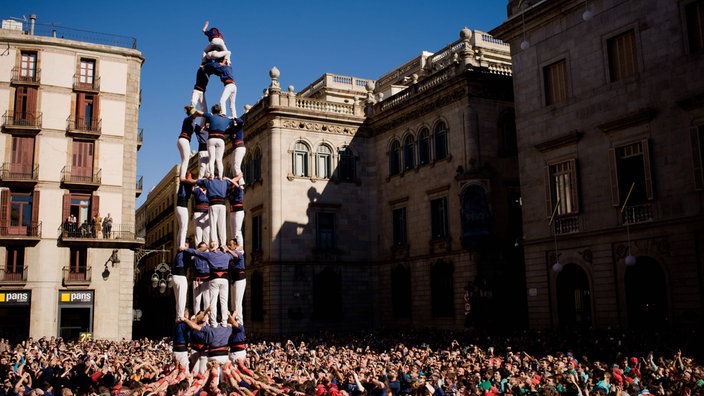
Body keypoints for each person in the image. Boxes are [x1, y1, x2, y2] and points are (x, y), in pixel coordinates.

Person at [189, 105, 239, 179]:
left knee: (211, 159)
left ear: (213, 111)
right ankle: (220, 176)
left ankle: (211, 175)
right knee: (219, 160)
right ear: (220, 111)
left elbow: (199, 112)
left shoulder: (210, 116)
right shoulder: (226, 119)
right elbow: (235, 123)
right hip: (220, 140)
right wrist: (231, 118)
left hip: (211, 139)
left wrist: (194, 114)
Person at [178, 107, 201, 179]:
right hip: (184, 140)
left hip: (182, 140)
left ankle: (182, 175)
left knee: (184, 160)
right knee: (186, 159)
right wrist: (204, 115)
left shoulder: (194, 123)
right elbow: (195, 114)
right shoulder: (188, 119)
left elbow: (200, 129)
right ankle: (182, 177)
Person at [189, 242, 211, 316]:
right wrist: (199, 250)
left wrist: (206, 248)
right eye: (202, 247)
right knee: (196, 300)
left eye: (205, 247)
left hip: (206, 279)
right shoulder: (194, 256)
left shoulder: (208, 255)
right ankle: (196, 316)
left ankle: (206, 318)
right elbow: (191, 255)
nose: (203, 249)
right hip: (196, 279)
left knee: (206, 300)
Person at [227, 239, 245, 325]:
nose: (229, 246)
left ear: (235, 245)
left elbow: (236, 255)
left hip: (240, 279)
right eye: (228, 245)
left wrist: (228, 250)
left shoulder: (239, 253)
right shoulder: (231, 255)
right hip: (233, 280)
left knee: (238, 301)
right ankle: (234, 318)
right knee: (233, 303)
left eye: (230, 245)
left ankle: (239, 321)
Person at [172, 242, 190, 321]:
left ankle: (178, 316)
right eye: (185, 246)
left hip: (174, 276)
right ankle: (180, 317)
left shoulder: (178, 254)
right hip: (181, 276)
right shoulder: (183, 254)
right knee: (182, 299)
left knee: (178, 299)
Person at [190, 181, 210, 246]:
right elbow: (192, 188)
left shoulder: (209, 190)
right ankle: (198, 248)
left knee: (206, 232)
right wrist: (197, 184)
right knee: (198, 232)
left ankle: (206, 247)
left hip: (207, 213)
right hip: (198, 212)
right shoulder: (197, 190)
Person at [176, 177, 192, 249]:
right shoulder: (184, 184)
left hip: (178, 207)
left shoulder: (182, 186)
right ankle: (181, 245)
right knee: (184, 227)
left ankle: (179, 244)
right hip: (183, 207)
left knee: (181, 227)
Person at [228, 117, 245, 185]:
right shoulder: (230, 130)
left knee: (236, 166)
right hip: (235, 149)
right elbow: (222, 130)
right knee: (233, 166)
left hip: (240, 148)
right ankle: (237, 182)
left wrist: (234, 118)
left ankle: (241, 183)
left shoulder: (239, 127)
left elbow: (241, 121)